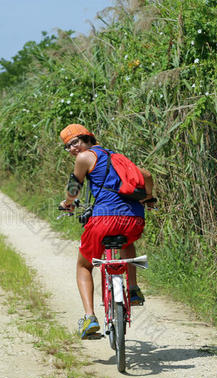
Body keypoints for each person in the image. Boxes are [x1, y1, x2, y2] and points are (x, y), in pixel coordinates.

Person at [58, 123, 155, 338]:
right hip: (134, 220)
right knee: (127, 243)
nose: (73, 148)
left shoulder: (84, 158)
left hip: (104, 220)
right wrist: (149, 198)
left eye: (75, 142)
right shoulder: (118, 157)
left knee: (84, 265)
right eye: (68, 146)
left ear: (87, 138)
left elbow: (75, 187)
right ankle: (132, 289)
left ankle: (90, 318)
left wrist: (68, 203)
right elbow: (146, 175)